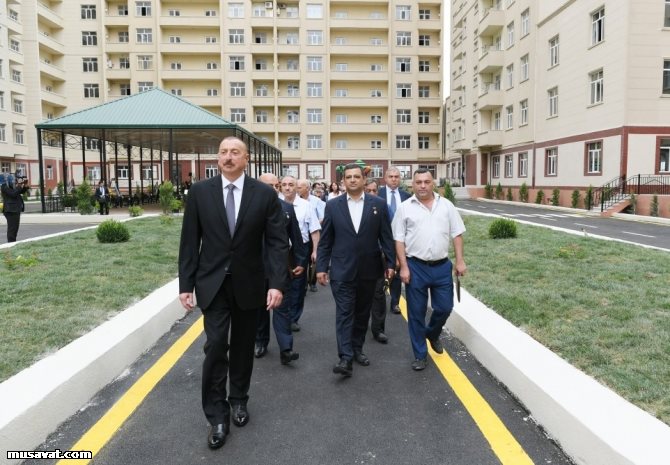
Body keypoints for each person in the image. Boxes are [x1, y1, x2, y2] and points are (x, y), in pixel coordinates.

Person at [178, 136, 289, 450]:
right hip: (212, 283)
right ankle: (217, 415)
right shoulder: (200, 192)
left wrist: (276, 283)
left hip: (249, 283)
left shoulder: (264, 194)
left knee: (242, 345)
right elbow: (189, 241)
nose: (228, 157)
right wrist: (185, 285)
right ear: (217, 158)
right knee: (215, 345)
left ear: (246, 158)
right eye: (223, 152)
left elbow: (277, 243)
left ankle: (239, 399)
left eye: (235, 152)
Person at [316, 163, 395, 377]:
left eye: (356, 176)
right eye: (348, 177)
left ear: (363, 180)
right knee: (344, 313)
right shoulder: (333, 206)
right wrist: (321, 267)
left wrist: (390, 264)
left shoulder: (378, 205)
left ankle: (357, 349)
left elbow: (386, 237)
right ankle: (345, 357)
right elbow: (325, 240)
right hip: (342, 270)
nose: (352, 180)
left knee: (362, 313)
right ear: (343, 181)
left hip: (369, 270)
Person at [392, 168, 467, 371]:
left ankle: (432, 333)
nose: (423, 186)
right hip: (415, 266)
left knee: (444, 308)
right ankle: (420, 355)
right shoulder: (404, 208)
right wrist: (404, 267)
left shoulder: (447, 206)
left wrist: (460, 261)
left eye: (426, 182)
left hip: (442, 266)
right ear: (412, 185)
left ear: (433, 183)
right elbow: (398, 239)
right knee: (416, 313)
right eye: (418, 182)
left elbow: (457, 234)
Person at [254, 173, 307, 364]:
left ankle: (286, 349)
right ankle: (261, 342)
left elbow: (297, 238)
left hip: (280, 268)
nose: (273, 189)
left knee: (283, 310)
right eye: (268, 186)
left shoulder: (286, 208)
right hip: (256, 269)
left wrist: (300, 261)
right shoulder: (250, 208)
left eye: (275, 186)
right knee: (259, 310)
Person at [280, 175, 321, 332]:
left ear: (296, 187)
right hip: (280, 250)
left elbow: (314, 230)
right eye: (284, 184)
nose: (288, 187)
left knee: (298, 285)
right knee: (281, 283)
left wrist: (315, 250)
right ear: (280, 187)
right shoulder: (275, 204)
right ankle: (283, 315)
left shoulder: (306, 205)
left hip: (300, 248)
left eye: (291, 184)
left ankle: (293, 318)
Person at [378, 167, 411, 315]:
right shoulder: (378, 194)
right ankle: (378, 301)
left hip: (400, 239)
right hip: (381, 239)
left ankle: (395, 302)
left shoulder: (407, 196)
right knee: (380, 271)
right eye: (391, 176)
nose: (394, 179)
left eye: (396, 176)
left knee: (397, 269)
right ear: (385, 178)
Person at [363, 178, 389, 344]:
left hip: (377, 258)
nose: (372, 193)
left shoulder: (382, 206)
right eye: (369, 190)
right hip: (357, 259)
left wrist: (391, 261)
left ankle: (378, 329)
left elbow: (388, 234)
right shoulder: (353, 206)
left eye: (375, 190)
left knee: (378, 295)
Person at [297, 178, 325, 293]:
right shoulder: (296, 200)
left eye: (299, 187)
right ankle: (303, 283)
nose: (297, 189)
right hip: (301, 234)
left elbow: (322, 217)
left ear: (307, 188)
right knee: (302, 259)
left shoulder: (316, 201)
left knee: (313, 259)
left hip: (313, 231)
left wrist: (313, 223)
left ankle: (312, 282)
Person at [1, 172, 29, 243]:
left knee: (15, 228)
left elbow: (19, 191)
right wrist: (19, 185)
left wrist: (25, 185)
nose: (13, 179)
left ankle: (13, 242)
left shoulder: (11, 186)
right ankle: (11, 243)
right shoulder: (4, 186)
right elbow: (13, 194)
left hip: (15, 210)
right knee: (12, 229)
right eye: (10, 178)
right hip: (10, 211)